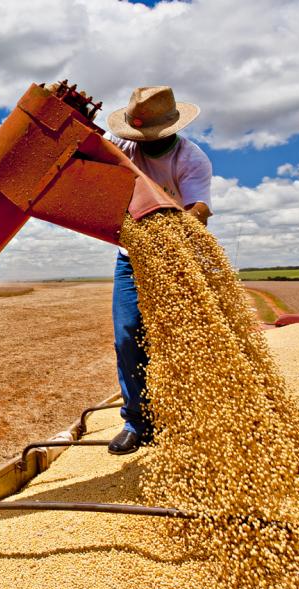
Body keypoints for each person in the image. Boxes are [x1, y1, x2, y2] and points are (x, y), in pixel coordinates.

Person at [104, 85, 214, 455]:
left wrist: (170, 228)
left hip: (178, 256)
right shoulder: (122, 148)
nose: (143, 143)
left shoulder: (191, 160)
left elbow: (200, 209)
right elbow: (86, 153)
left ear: (170, 129)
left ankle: (192, 416)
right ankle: (137, 422)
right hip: (131, 256)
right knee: (127, 335)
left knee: (185, 338)